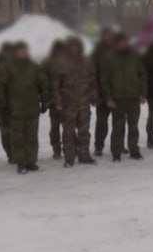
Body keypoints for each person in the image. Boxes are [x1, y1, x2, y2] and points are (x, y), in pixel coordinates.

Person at [0, 42, 49, 174]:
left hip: (32, 108)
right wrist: (2, 105)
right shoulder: (8, 67)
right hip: (15, 109)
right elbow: (0, 86)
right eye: (20, 51)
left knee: (32, 137)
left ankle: (31, 161)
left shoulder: (34, 67)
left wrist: (44, 101)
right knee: (17, 138)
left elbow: (43, 84)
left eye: (25, 50)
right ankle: (21, 163)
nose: (23, 53)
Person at [51, 38, 97, 168]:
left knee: (84, 131)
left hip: (84, 102)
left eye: (76, 46)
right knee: (68, 132)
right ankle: (69, 157)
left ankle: (84, 155)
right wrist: (58, 101)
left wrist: (94, 97)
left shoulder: (86, 62)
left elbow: (93, 81)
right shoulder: (61, 63)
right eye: (72, 46)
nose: (74, 49)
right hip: (68, 104)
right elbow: (55, 85)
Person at [101, 33, 146, 162]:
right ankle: (116, 152)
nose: (123, 44)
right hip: (117, 98)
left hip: (133, 96)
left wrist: (143, 93)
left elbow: (142, 74)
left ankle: (134, 150)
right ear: (116, 43)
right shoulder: (108, 57)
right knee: (118, 126)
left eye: (125, 42)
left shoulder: (135, 55)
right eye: (121, 42)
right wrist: (108, 97)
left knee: (133, 126)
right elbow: (104, 79)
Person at [92, 28, 116, 157]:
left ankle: (118, 145)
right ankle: (99, 146)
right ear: (103, 36)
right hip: (102, 92)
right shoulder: (98, 51)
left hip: (118, 91)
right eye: (109, 35)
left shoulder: (118, 49)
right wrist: (96, 93)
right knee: (102, 121)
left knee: (118, 121)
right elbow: (93, 73)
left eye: (112, 35)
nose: (111, 37)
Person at [41, 40, 66, 159]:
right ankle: (56, 149)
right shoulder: (47, 62)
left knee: (68, 125)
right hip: (53, 100)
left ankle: (70, 147)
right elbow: (43, 83)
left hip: (67, 99)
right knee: (55, 126)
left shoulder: (68, 62)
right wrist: (47, 99)